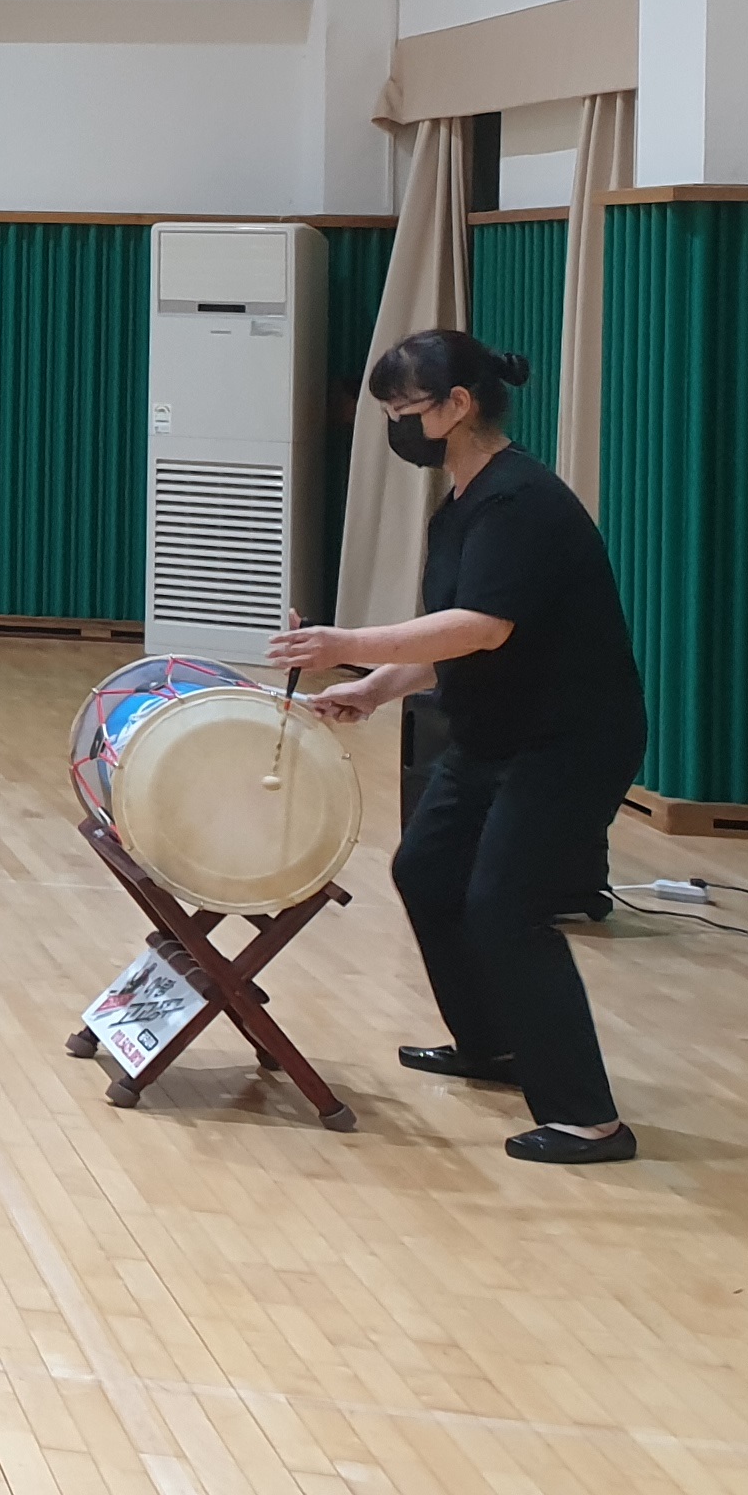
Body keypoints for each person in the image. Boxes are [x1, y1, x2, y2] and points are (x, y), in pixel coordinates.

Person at [273, 329, 644, 1165]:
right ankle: (495, 1045)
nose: (394, 428)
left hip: (568, 742)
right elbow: (457, 635)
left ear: (458, 405)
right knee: (427, 872)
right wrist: (376, 687)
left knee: (507, 906)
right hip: (495, 733)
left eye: (402, 411)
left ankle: (589, 1119)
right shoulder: (461, 504)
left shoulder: (520, 504)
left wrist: (348, 642)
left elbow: (483, 627)